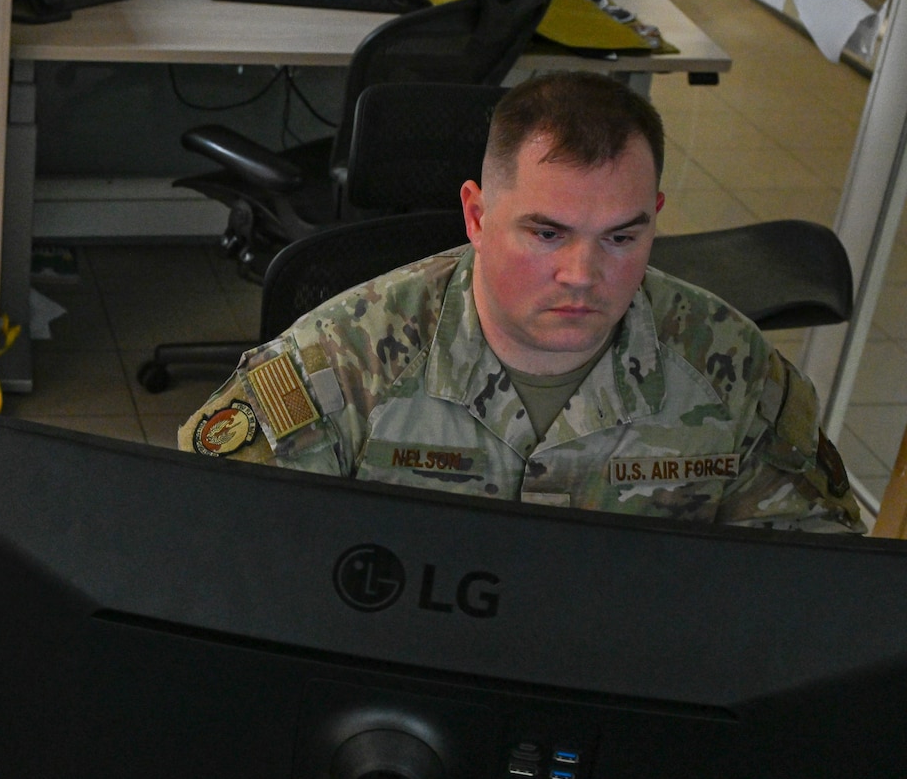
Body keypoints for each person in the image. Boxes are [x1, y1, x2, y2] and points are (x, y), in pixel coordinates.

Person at [178, 71, 861, 532]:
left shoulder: (731, 367)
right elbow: (212, 548)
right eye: (546, 232)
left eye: (623, 235)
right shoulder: (338, 364)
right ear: (476, 216)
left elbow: (811, 577)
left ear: (655, 216)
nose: (583, 273)